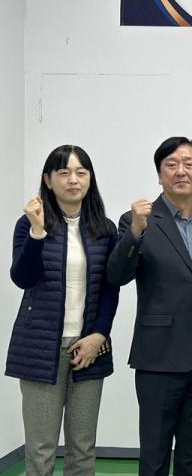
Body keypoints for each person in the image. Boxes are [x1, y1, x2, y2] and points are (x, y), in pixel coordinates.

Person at [107, 136, 192, 476]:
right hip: (159, 356)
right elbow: (117, 275)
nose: (181, 171)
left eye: (189, 164)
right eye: (171, 165)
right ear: (159, 174)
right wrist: (135, 231)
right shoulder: (138, 220)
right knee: (155, 455)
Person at [6, 145, 119, 475]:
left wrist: (99, 335)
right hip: (41, 348)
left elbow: (110, 288)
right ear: (48, 179)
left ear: (90, 179)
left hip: (88, 348)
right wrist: (37, 232)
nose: (73, 180)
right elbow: (23, 278)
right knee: (41, 450)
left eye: (81, 172)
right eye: (64, 172)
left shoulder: (105, 229)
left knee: (82, 449)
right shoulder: (28, 224)